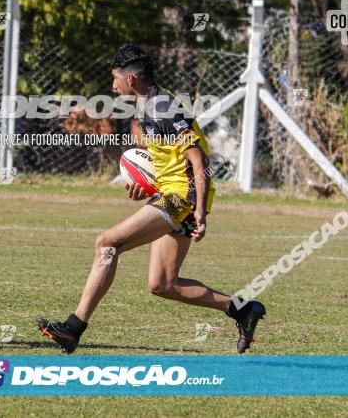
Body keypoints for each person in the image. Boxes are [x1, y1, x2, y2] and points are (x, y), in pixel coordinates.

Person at [37, 44, 266, 354]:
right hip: (171, 193)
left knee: (107, 243)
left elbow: (198, 162)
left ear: (130, 79)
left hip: (181, 198)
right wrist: (148, 187)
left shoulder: (163, 107)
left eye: (115, 78)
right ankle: (242, 310)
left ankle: (73, 328)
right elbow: (170, 162)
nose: (112, 85)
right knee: (162, 284)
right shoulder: (147, 105)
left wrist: (199, 212)